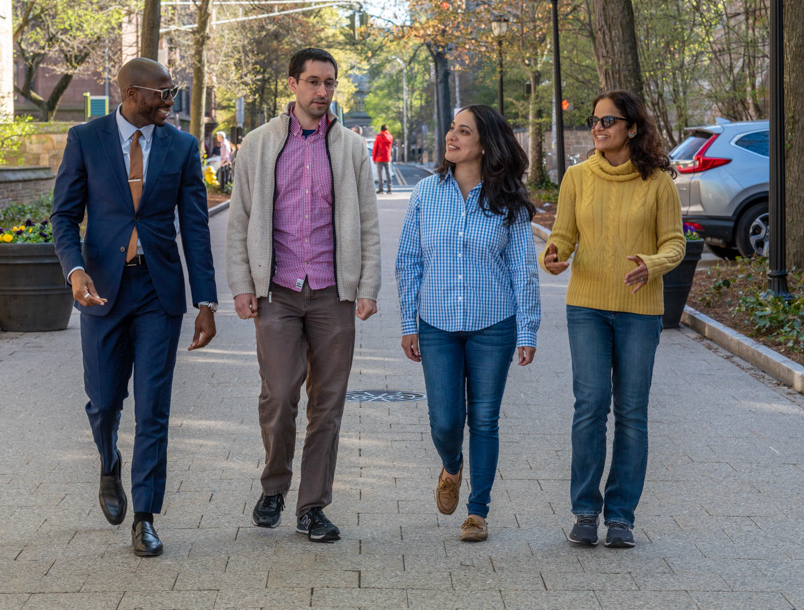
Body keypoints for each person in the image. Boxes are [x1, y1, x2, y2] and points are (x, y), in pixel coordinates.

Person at [51, 57, 218, 557]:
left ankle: (145, 517)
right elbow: (63, 216)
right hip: (100, 289)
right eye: (162, 93)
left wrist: (205, 301)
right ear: (130, 94)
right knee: (104, 402)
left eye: (173, 92)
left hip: (157, 291)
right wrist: (74, 271)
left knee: (154, 406)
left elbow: (195, 228)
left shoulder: (183, 147)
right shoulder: (87, 139)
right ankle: (108, 463)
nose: (171, 101)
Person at [226, 47, 381, 542]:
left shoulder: (353, 148)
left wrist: (367, 287)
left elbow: (370, 226)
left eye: (329, 83)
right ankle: (274, 485)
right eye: (313, 82)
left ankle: (312, 506)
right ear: (293, 84)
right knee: (278, 397)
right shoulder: (258, 143)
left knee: (328, 404)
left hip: (334, 294)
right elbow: (241, 220)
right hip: (278, 292)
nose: (322, 92)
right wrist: (242, 285)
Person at [540, 89, 684, 549]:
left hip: (640, 311)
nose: (598, 127)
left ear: (632, 128)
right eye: (595, 119)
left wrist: (652, 264)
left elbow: (675, 244)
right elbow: (561, 237)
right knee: (590, 406)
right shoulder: (577, 178)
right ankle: (585, 511)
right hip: (586, 307)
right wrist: (553, 257)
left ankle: (621, 517)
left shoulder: (658, 181)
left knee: (631, 413)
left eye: (608, 120)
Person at [396, 105, 540, 543]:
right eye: (452, 128)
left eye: (463, 131)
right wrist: (408, 321)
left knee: (485, 418)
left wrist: (528, 329)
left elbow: (523, 268)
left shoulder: (507, 200)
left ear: (485, 144)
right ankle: (452, 467)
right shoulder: (425, 192)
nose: (451, 137)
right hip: (436, 323)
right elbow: (409, 260)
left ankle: (478, 511)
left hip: (493, 322)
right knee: (444, 419)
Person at [372, 124, 393, 194]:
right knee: (388, 173)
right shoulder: (390, 136)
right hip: (387, 157)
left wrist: (374, 158)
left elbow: (375, 148)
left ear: (381, 129)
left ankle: (381, 189)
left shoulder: (379, 137)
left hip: (379, 158)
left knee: (380, 174)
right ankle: (389, 189)